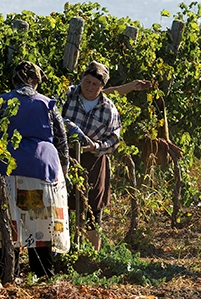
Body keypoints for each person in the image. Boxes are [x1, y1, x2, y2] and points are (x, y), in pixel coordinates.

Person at [60, 61, 152, 251]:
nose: (90, 87)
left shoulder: (108, 108)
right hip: (64, 157)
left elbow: (114, 139)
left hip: (93, 161)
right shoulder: (67, 95)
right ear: (82, 79)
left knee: (93, 208)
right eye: (87, 82)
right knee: (62, 203)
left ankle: (92, 254)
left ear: (102, 87)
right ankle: (64, 250)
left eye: (95, 84)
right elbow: (53, 117)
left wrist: (96, 147)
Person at [0, 61, 71, 277]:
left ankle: (8, 272)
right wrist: (63, 169)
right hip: (41, 170)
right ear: (34, 82)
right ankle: (42, 273)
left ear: (13, 81)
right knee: (38, 219)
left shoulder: (0, 102)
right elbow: (61, 138)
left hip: (7, 169)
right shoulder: (47, 104)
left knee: (9, 219)